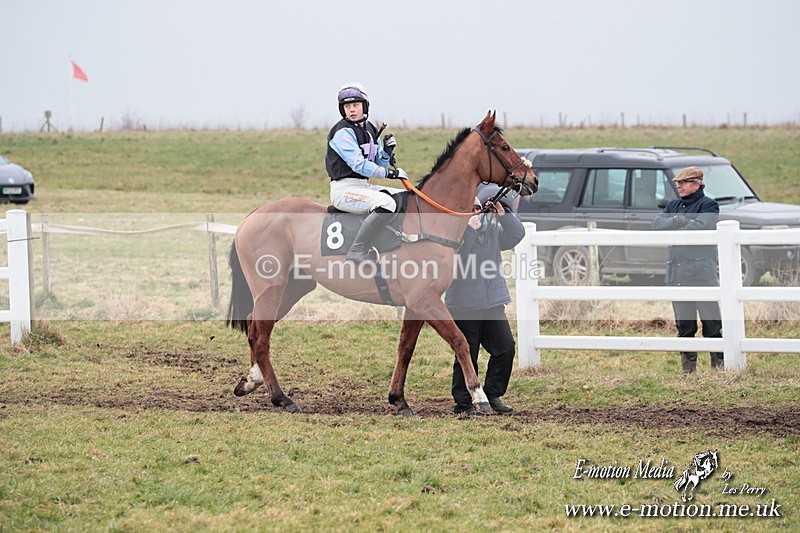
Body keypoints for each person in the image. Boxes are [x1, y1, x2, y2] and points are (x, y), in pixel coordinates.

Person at [446, 183, 526, 416]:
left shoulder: (493, 230)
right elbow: (460, 256)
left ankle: (492, 394)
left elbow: (517, 234)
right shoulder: (455, 233)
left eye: (478, 208)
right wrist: (470, 229)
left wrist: (503, 214)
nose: (476, 212)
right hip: (464, 305)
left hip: (492, 303)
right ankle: (463, 403)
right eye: (471, 209)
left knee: (505, 348)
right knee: (466, 354)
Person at [652, 166, 724, 374]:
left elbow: (700, 227)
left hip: (701, 273)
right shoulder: (673, 205)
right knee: (684, 325)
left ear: (696, 184)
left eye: (683, 182)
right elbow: (656, 225)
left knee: (711, 323)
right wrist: (680, 220)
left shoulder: (709, 205)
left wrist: (673, 228)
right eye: (678, 183)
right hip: (677, 273)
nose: (679, 186)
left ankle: (718, 367)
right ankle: (688, 370)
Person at [326, 83, 408, 263]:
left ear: (364, 106)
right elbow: (359, 165)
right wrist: (389, 174)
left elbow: (378, 162)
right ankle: (357, 250)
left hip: (363, 186)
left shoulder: (369, 129)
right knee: (386, 203)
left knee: (404, 196)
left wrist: (386, 152)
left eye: (355, 105)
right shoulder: (342, 133)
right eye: (347, 106)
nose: (351, 110)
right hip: (343, 190)